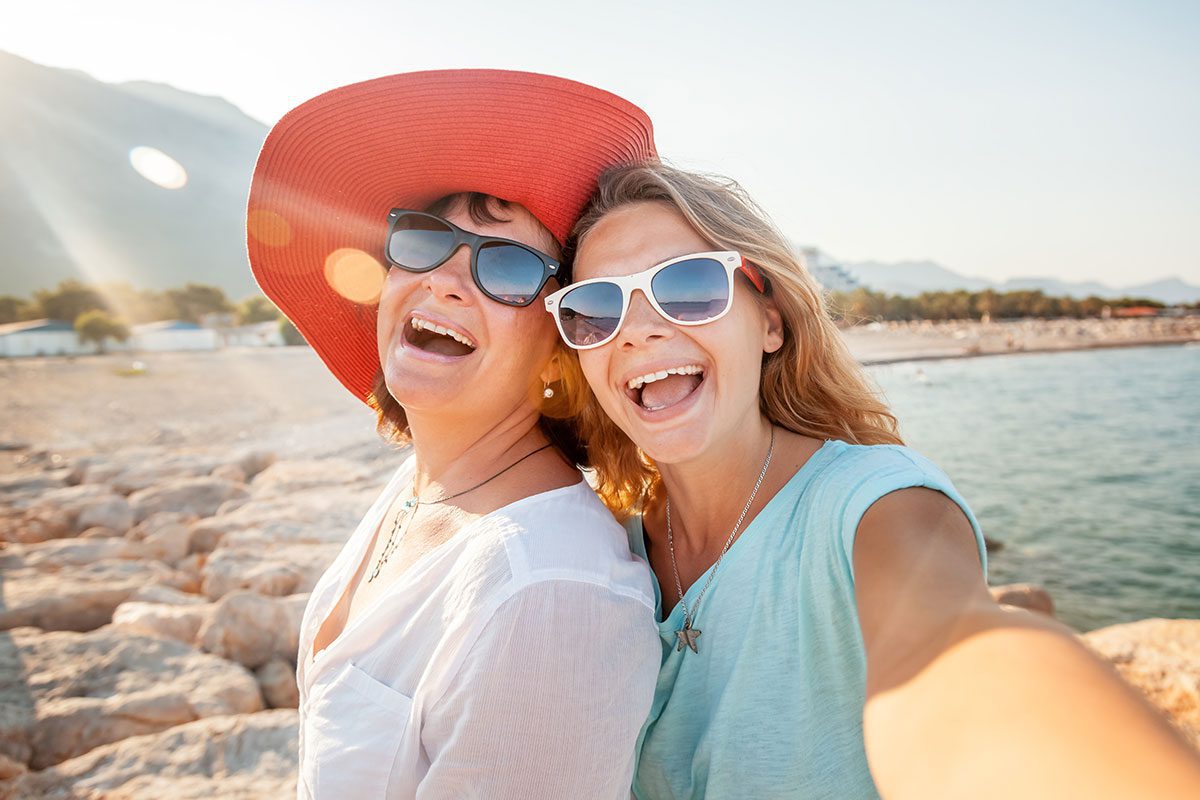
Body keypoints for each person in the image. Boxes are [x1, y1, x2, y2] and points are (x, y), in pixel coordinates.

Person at [545, 160, 1200, 798]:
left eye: (688, 286)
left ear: (770, 322)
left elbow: (953, 654)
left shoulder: (879, 508)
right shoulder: (606, 544)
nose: (639, 330)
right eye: (595, 308)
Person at [247, 70, 661, 798]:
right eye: (425, 238)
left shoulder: (552, 592)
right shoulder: (419, 486)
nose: (443, 280)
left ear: (563, 343)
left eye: (506, 266)